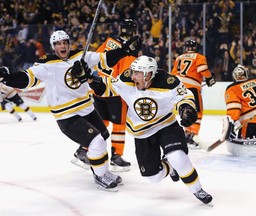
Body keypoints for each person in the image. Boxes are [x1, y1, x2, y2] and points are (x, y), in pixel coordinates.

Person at [0, 30, 142, 191]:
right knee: (97, 141)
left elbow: (104, 59)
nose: (63, 46)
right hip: (67, 115)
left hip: (87, 109)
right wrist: (9, 78)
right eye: (59, 44)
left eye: (65, 42)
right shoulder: (46, 64)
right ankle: (101, 176)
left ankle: (101, 170)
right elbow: (27, 79)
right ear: (54, 47)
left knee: (103, 135)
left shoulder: (80, 56)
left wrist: (124, 51)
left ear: (69, 44)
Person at [85, 55, 213, 205]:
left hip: (166, 126)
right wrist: (90, 79)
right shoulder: (127, 78)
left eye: (137, 73)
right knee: (154, 177)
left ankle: (197, 190)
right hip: (142, 133)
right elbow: (107, 87)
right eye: (133, 71)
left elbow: (184, 98)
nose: (133, 76)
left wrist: (186, 109)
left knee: (178, 157)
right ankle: (169, 166)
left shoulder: (168, 82)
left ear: (148, 75)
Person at [72, 19, 139, 172]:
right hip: (114, 92)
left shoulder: (109, 41)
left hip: (98, 86)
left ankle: (83, 150)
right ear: (133, 32)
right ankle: (116, 156)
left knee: (99, 123)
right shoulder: (129, 52)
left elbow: (95, 58)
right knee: (119, 125)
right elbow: (127, 76)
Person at [171, 39, 216, 149]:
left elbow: (173, 74)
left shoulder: (179, 58)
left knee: (185, 110)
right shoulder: (199, 57)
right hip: (192, 88)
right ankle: (193, 135)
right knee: (198, 112)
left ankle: (186, 134)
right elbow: (202, 69)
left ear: (185, 48)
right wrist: (209, 78)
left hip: (180, 89)